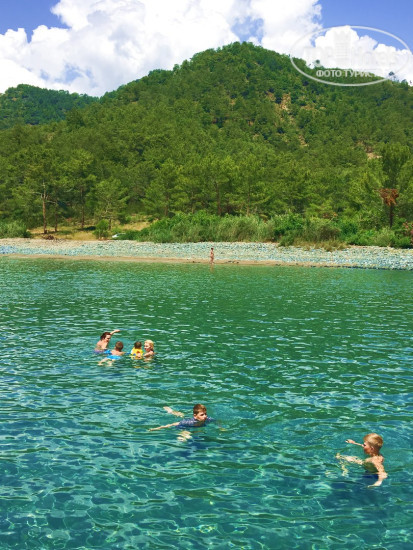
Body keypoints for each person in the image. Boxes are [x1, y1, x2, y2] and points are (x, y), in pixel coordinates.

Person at [149, 404, 214, 441]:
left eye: (205, 414)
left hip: (194, 427)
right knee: (183, 439)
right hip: (184, 427)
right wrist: (158, 428)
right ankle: (170, 410)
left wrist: (219, 427)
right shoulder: (190, 422)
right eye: (202, 415)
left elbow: (216, 421)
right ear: (195, 416)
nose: (205, 416)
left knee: (181, 415)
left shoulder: (208, 419)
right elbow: (174, 424)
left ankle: (175, 412)